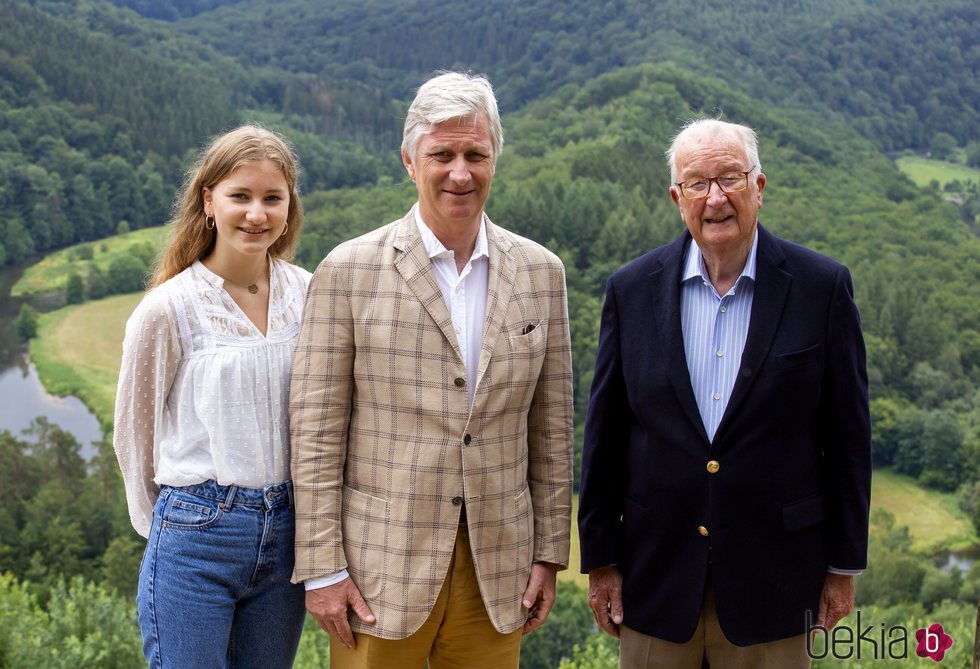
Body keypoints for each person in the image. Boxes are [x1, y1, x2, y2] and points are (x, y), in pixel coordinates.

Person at [289, 71, 574, 669]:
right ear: (409, 161)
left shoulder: (542, 273)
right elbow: (315, 433)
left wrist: (550, 551)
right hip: (377, 568)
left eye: (476, 154)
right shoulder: (348, 270)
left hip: (500, 567)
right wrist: (321, 566)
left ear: (496, 157)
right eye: (441, 154)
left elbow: (551, 428)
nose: (460, 172)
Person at [578, 118, 872, 668]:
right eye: (697, 183)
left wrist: (842, 567)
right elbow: (606, 437)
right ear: (676, 197)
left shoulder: (821, 287)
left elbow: (849, 440)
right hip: (655, 577)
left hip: (779, 582)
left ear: (758, 187)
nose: (715, 197)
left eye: (730, 178)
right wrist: (601, 560)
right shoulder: (629, 291)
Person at [113, 125, 310, 668]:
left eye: (273, 198)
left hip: (288, 536)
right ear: (208, 201)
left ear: (289, 205)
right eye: (239, 196)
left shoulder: (309, 293)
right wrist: (170, 529)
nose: (257, 213)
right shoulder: (169, 309)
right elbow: (134, 435)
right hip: (197, 535)